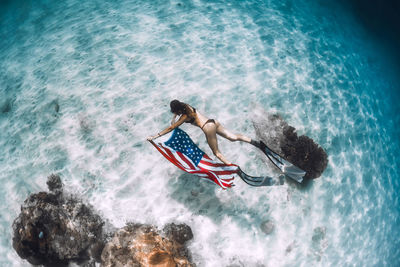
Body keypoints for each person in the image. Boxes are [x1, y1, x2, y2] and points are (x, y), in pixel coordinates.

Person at [147, 100, 260, 165]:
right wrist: (174, 117)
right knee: (233, 137)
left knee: (217, 153)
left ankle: (233, 168)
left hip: (207, 128)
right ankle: (255, 143)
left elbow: (171, 128)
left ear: (177, 110)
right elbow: (178, 113)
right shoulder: (187, 107)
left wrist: (155, 136)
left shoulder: (185, 117)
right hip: (213, 122)